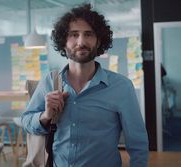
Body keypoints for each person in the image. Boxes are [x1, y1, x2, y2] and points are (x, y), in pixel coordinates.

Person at [21, 3, 149, 167]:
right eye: (74, 34)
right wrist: (45, 116)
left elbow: (138, 143)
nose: (81, 41)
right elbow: (26, 122)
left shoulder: (121, 86)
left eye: (88, 34)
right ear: (63, 41)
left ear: (98, 41)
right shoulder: (49, 82)